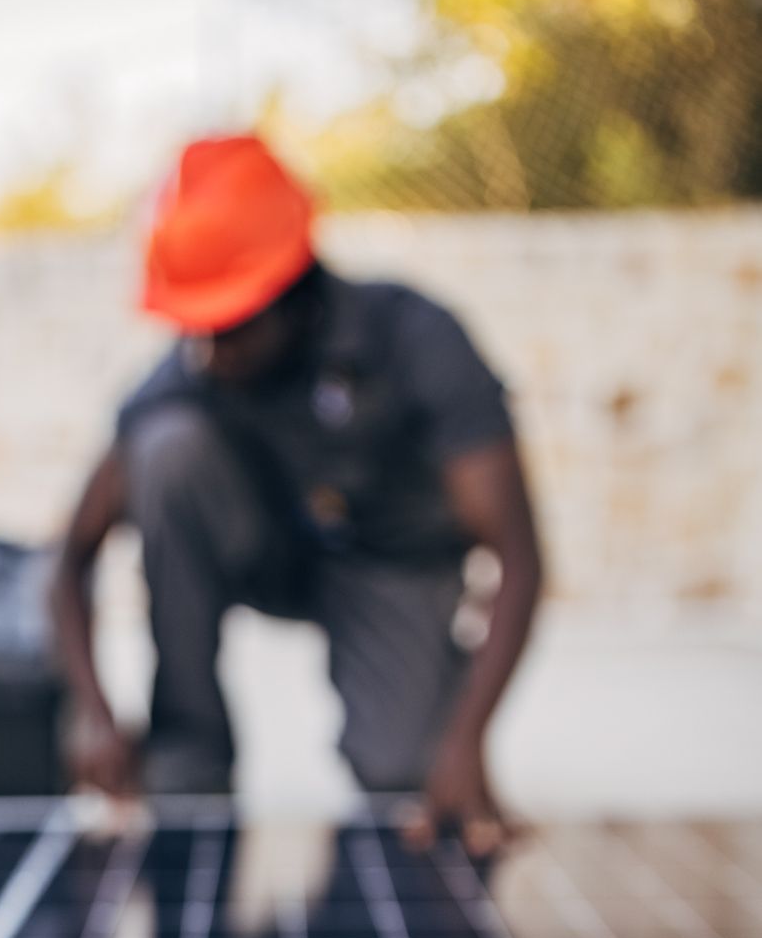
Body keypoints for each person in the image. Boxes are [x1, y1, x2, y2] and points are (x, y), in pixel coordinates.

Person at [50, 134, 543, 853]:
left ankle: (430, 700)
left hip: (392, 564)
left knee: (405, 773)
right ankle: (189, 752)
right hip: (270, 553)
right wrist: (91, 710)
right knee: (167, 450)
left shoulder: (416, 339)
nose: (212, 355)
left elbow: (521, 559)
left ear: (294, 289)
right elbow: (68, 561)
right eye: (197, 331)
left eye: (232, 328)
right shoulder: (188, 378)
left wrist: (465, 737)